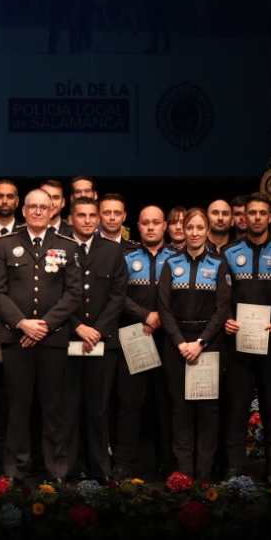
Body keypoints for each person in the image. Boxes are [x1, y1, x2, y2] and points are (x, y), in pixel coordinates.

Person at [0, 189, 82, 482]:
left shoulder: (67, 245)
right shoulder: (5, 245)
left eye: (44, 207)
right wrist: (22, 323)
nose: (39, 211)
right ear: (24, 210)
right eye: (33, 207)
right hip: (17, 339)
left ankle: (56, 468)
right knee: (18, 406)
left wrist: (44, 325)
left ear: (53, 210)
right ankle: (16, 468)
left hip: (52, 338)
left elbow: (73, 293)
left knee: (54, 407)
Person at [157, 205, 231, 479]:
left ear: (208, 231)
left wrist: (200, 342)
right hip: (176, 344)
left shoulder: (219, 264)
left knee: (208, 410)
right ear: (182, 231)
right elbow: (163, 308)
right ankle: (184, 472)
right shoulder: (171, 263)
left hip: (207, 344)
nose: (195, 233)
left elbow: (222, 309)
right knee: (181, 409)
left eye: (200, 228)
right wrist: (180, 342)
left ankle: (204, 472)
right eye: (190, 228)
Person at [222, 194, 271, 478]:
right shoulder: (229, 251)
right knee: (236, 406)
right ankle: (234, 465)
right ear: (244, 217)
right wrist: (226, 318)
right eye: (252, 213)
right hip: (238, 341)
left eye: (263, 213)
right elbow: (222, 296)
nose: (258, 217)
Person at [61, 197, 127, 480]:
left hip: (102, 341)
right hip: (68, 339)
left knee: (98, 409)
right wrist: (77, 326)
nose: (88, 220)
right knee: (68, 408)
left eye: (92, 215)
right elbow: (56, 295)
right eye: (82, 215)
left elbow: (117, 295)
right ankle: (71, 468)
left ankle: (101, 469)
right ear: (71, 219)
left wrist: (97, 330)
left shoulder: (112, 251)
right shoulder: (60, 248)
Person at [114, 205, 174, 479]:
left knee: (167, 404)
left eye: (156, 223)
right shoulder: (126, 257)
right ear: (138, 225)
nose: (151, 227)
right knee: (129, 405)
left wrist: (163, 318)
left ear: (165, 226)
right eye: (146, 223)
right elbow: (117, 295)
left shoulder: (177, 258)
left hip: (169, 340)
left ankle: (168, 463)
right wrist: (144, 315)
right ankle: (124, 464)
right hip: (134, 337)